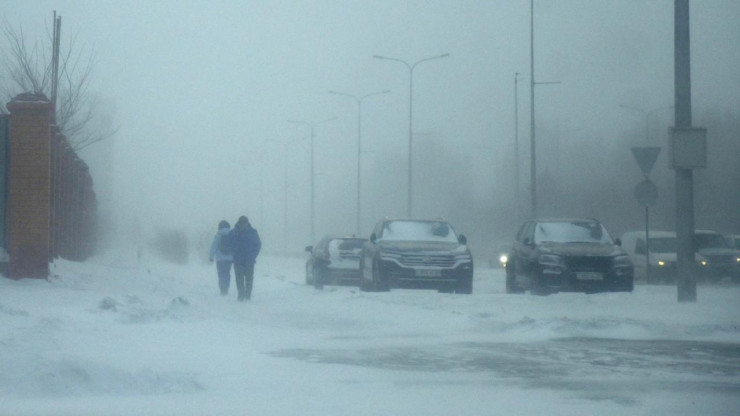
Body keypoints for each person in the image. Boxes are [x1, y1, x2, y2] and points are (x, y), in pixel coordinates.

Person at [229, 215, 262, 301]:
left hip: (248, 260)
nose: (243, 225)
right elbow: (230, 245)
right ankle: (241, 295)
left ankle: (247, 295)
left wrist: (253, 255)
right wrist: (234, 254)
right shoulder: (234, 232)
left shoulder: (252, 232)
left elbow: (258, 245)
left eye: (245, 223)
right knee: (239, 279)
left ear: (247, 223)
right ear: (239, 223)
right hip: (238, 260)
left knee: (249, 279)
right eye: (242, 223)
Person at [209, 220, 233, 295]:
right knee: (227, 273)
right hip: (229, 258)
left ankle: (222, 289)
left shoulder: (219, 234)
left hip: (220, 258)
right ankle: (227, 287)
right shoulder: (232, 234)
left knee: (221, 274)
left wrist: (211, 256)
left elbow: (214, 246)